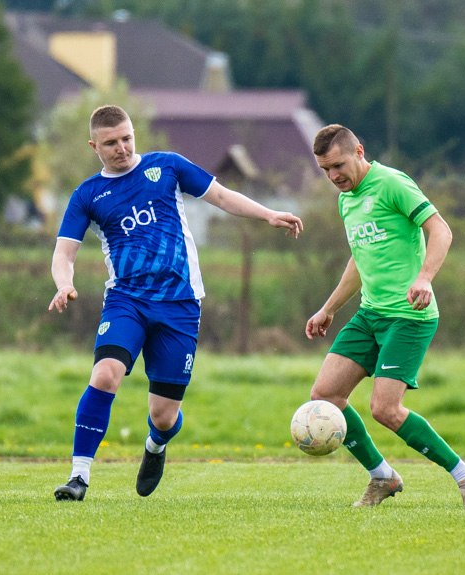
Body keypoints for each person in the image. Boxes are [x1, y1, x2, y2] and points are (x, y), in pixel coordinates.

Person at [48, 105, 303, 501]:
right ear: (94, 145)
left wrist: (267, 214)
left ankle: (156, 445)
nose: (122, 148)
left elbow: (220, 195)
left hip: (180, 304)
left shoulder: (166, 166)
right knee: (104, 375)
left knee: (163, 416)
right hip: (126, 301)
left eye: (127, 138)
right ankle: (78, 477)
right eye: (111, 142)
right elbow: (64, 254)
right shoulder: (88, 195)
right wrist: (64, 284)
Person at [306, 124, 465, 508]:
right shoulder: (346, 200)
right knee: (325, 396)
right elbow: (360, 259)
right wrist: (329, 308)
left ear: (359, 150)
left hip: (409, 315)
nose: (334, 176)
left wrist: (425, 277)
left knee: (385, 409)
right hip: (370, 314)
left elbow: (441, 230)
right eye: (325, 170)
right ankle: (382, 477)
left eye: (338, 165)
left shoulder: (392, 183)